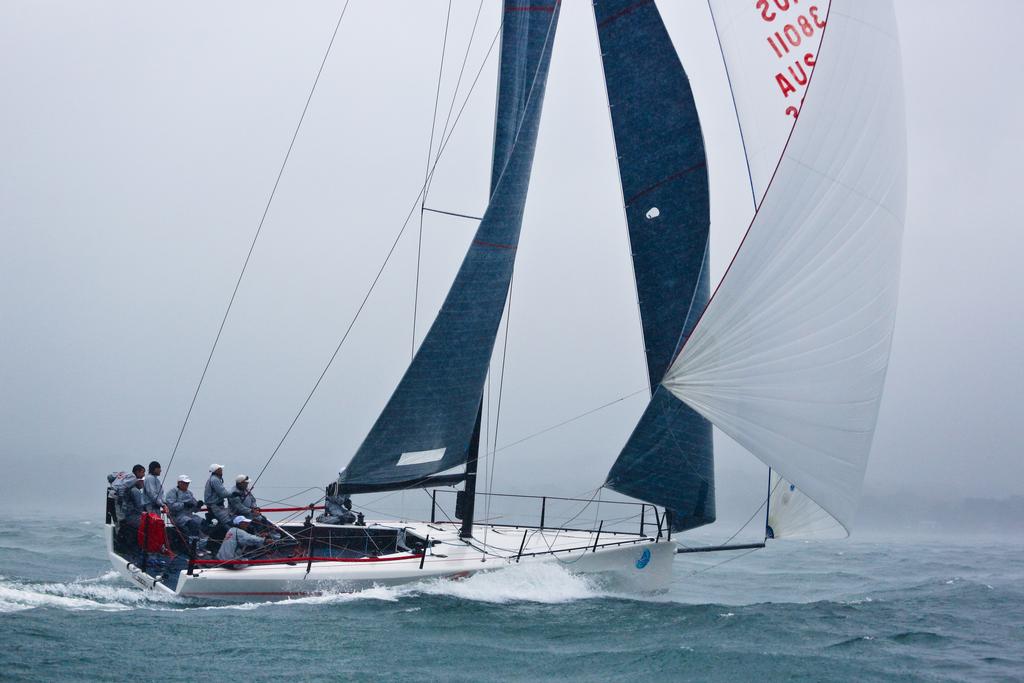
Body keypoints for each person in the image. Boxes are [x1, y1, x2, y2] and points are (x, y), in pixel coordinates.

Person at [204, 464, 232, 528]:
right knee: (227, 521)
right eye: (220, 469)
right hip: (215, 506)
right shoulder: (215, 480)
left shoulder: (213, 479)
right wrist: (233, 494)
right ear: (216, 471)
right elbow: (223, 493)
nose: (222, 471)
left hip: (214, 506)